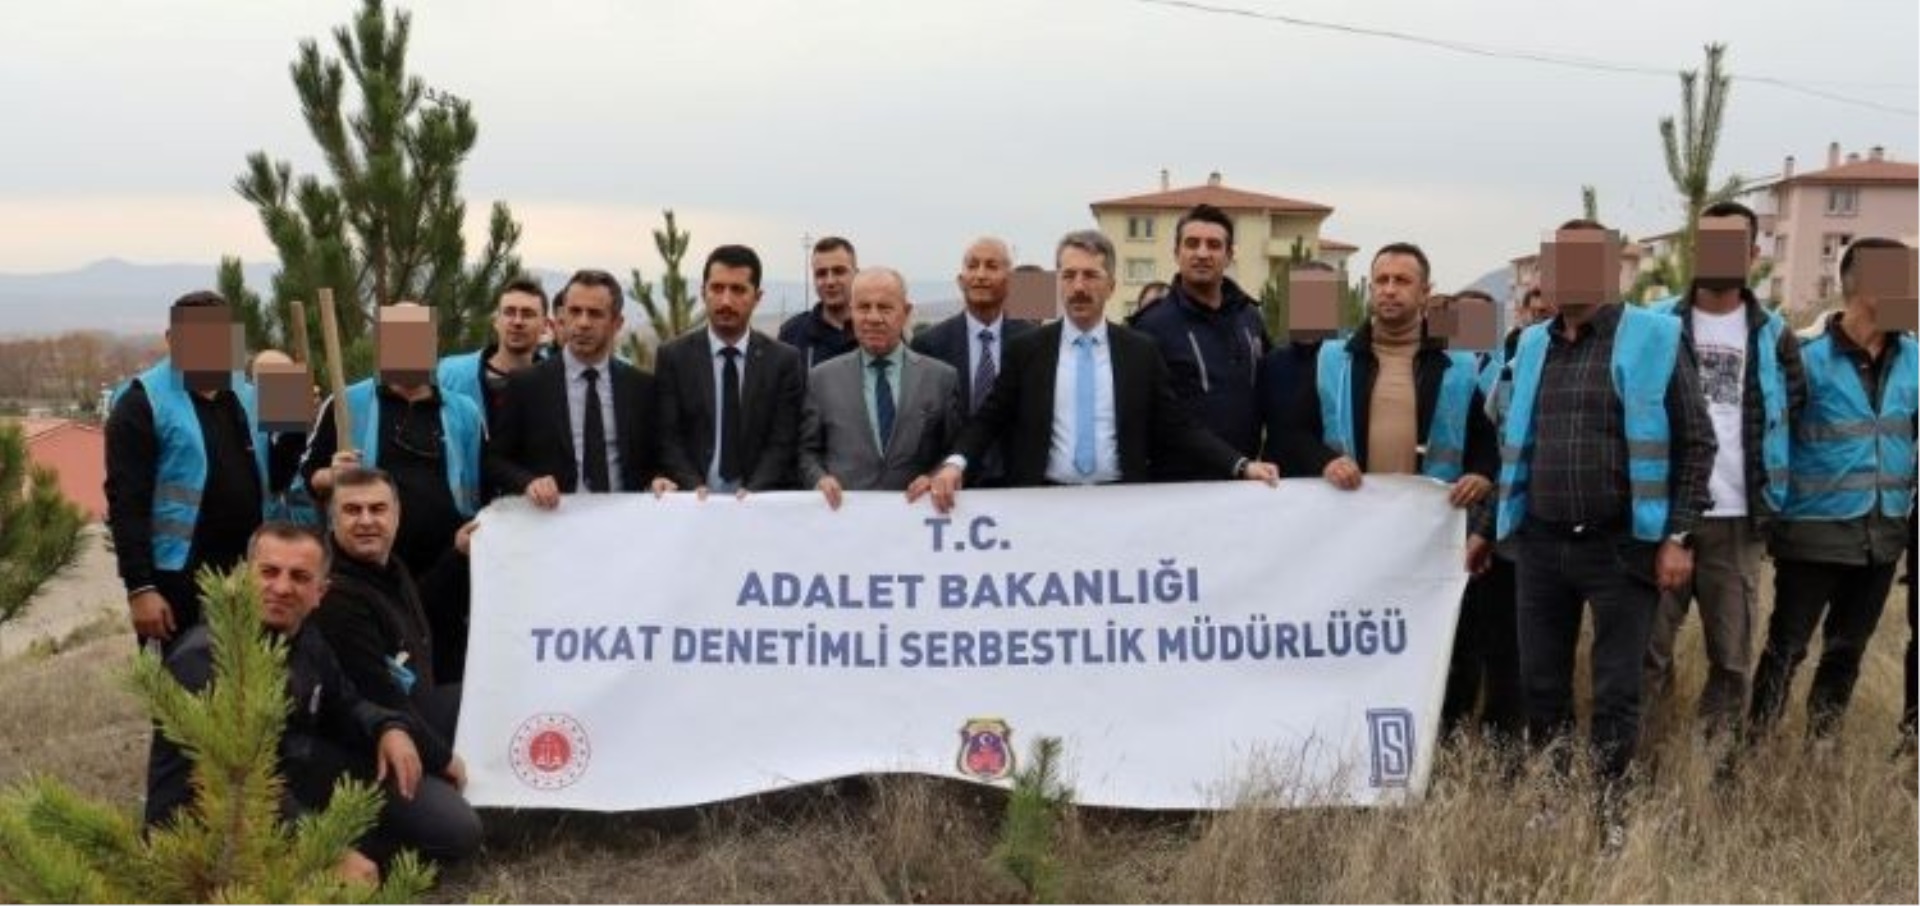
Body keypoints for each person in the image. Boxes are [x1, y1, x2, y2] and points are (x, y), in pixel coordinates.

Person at [1491, 219, 1715, 815]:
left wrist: (1678, 536)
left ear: (1612, 269)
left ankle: (1609, 810)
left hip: (1621, 547)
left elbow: (1697, 443)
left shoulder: (1656, 338)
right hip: (1541, 544)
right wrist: (1498, 527)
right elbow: (1512, 438)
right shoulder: (1530, 345)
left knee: (1616, 689)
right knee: (1542, 684)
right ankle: (1553, 805)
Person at [143, 522, 480, 880]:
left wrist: (388, 727)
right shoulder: (205, 659)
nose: (282, 588)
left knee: (456, 831)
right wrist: (324, 849)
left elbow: (346, 703)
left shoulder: (306, 637)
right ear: (244, 576)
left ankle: (356, 856)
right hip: (219, 824)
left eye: (300, 577)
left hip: (298, 772)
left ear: (321, 591)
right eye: (269, 572)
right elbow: (235, 784)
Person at [922, 230, 1279, 513]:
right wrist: (954, 464)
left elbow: (1177, 425)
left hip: (1121, 506)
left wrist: (1240, 465)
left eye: (1091, 275)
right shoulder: (1027, 350)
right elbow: (988, 419)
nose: (1079, 287)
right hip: (1042, 505)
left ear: (1111, 286)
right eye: (1069, 275)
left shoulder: (1140, 351)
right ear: (1058, 283)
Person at [1639, 201, 1807, 749]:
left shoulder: (1775, 334)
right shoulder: (1654, 324)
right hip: (1661, 515)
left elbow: (1793, 409)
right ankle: (1645, 760)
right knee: (1646, 652)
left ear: (1753, 254)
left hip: (1738, 518)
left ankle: (1711, 767)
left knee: (1731, 660)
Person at [1749, 237, 1917, 744]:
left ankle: (1821, 746)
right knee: (1787, 648)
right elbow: (1770, 441)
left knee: (1847, 650)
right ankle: (1755, 744)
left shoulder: (1914, 359)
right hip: (1813, 531)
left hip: (1882, 535)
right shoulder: (1805, 358)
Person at [107, 291, 270, 651]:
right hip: (176, 580)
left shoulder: (245, 395)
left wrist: (296, 425)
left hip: (248, 573)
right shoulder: (140, 403)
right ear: (171, 340)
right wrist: (140, 588)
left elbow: (281, 474)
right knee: (180, 676)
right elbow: (126, 503)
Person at [486, 269, 659, 504]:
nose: (583, 323)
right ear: (562, 317)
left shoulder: (641, 388)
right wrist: (529, 482)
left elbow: (654, 459)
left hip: (622, 518)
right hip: (554, 519)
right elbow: (495, 460)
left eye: (595, 314)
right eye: (575, 311)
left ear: (617, 323)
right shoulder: (526, 385)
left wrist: (659, 478)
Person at [801, 268, 964, 508]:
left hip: (916, 517)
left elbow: (955, 450)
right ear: (851, 312)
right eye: (863, 307)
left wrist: (936, 476)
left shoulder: (941, 378)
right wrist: (818, 479)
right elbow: (807, 451)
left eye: (885, 308)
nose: (873, 318)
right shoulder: (821, 378)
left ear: (906, 312)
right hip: (844, 518)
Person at [650, 245, 805, 497]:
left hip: (758, 502)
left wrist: (752, 492)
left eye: (738, 290)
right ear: (703, 292)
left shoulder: (782, 361)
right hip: (693, 502)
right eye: (717, 288)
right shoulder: (674, 357)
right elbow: (668, 439)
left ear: (757, 297)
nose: (726, 301)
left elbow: (782, 442)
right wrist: (694, 488)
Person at [1129, 204, 1271, 476]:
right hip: (1180, 486)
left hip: (1248, 482)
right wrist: (1235, 463)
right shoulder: (1151, 326)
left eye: (1214, 245)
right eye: (1192, 244)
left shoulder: (1250, 317)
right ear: (1176, 253)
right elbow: (1163, 416)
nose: (1202, 253)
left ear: (1229, 256)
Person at [908, 236, 1037, 487]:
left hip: (1017, 483)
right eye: (972, 265)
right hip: (947, 484)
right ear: (960, 280)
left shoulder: (1033, 342)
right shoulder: (929, 344)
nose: (980, 275)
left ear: (1010, 281)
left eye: (991, 266)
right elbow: (922, 426)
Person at [435, 277, 553, 431]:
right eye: (509, 312)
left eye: (528, 314)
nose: (517, 321)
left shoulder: (555, 384)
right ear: (496, 321)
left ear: (545, 325)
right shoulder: (450, 373)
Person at [778, 236, 860, 369]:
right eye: (821, 274)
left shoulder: (873, 329)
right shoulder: (792, 334)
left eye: (839, 271)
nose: (830, 281)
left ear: (856, 274)